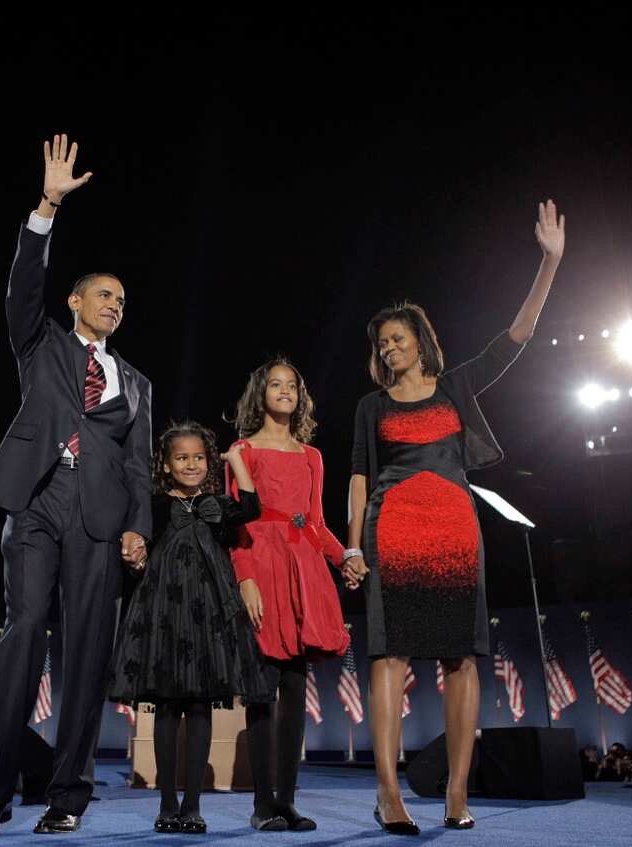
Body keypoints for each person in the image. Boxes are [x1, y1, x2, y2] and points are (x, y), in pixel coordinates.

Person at [343, 200, 565, 832]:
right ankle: (390, 794)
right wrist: (354, 547)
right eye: (381, 343)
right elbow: (358, 475)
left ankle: (457, 795)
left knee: (462, 659)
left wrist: (548, 263)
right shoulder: (368, 406)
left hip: (454, 533)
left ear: (419, 338)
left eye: (397, 337)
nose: (389, 348)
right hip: (394, 532)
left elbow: (515, 338)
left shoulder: (456, 386)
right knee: (389, 659)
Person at [0, 134, 153, 840]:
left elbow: (140, 464)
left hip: (100, 523)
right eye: (104, 294)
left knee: (87, 655)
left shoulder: (137, 383)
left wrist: (139, 525)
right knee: (20, 639)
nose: (115, 304)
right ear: (75, 300)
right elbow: (22, 289)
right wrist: (47, 205)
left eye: (123, 300)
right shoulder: (40, 342)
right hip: (36, 504)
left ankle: (68, 793)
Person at [108, 421, 273, 834]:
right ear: (166, 465)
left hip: (208, 614)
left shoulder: (218, 504)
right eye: (182, 458)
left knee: (200, 704)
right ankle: (166, 804)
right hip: (164, 611)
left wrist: (235, 462)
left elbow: (252, 507)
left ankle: (193, 805)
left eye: (198, 457)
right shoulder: (156, 504)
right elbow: (136, 539)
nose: (192, 464)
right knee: (166, 705)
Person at [228, 358, 350, 831]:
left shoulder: (312, 456)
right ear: (260, 392)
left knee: (296, 690)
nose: (284, 391)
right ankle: (261, 806)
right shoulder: (243, 450)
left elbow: (316, 524)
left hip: (303, 570)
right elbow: (236, 525)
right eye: (275, 384)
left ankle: (287, 801)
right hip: (261, 566)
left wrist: (345, 558)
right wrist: (246, 580)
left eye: (292, 385)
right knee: (263, 690)